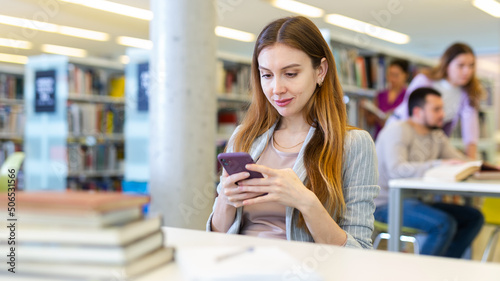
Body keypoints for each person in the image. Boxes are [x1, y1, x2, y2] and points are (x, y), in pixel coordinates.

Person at [206, 16, 380, 248]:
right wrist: (225, 201)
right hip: (238, 265)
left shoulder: (354, 144)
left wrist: (306, 202)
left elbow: (358, 252)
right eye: (267, 75)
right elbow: (213, 240)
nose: (277, 89)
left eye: (290, 74)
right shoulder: (243, 136)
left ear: (320, 71)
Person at [374, 87, 484, 257]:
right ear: (418, 112)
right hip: (386, 204)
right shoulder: (397, 131)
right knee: (443, 224)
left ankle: (441, 271)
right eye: (436, 109)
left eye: (442, 108)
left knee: (473, 217)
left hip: (416, 201)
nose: (443, 114)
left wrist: (483, 167)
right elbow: (397, 170)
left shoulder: (436, 135)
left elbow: (460, 161)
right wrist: (437, 164)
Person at [387, 43, 483, 159]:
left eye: (471, 65)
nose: (467, 71)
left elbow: (470, 131)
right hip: (403, 131)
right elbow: (411, 115)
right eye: (461, 65)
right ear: (447, 65)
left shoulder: (467, 93)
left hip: (430, 138)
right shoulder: (424, 81)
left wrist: (471, 164)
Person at [362, 58, 409, 139]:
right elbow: (371, 122)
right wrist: (367, 111)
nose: (392, 79)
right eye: (390, 74)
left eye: (396, 75)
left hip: (398, 138)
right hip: (380, 137)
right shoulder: (380, 95)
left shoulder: (408, 95)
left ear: (405, 76)